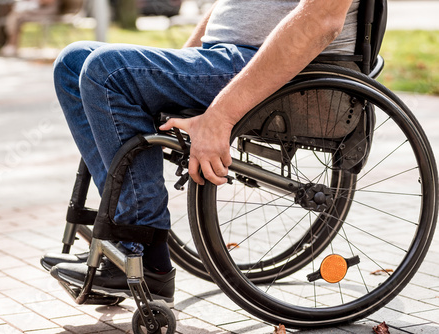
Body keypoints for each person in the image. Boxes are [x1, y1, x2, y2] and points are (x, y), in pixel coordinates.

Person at [43, 0, 360, 304]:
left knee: (107, 71)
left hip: (278, 64)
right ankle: (118, 236)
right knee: (73, 61)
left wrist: (221, 115)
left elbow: (323, 19)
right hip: (223, 58)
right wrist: (168, 79)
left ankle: (142, 256)